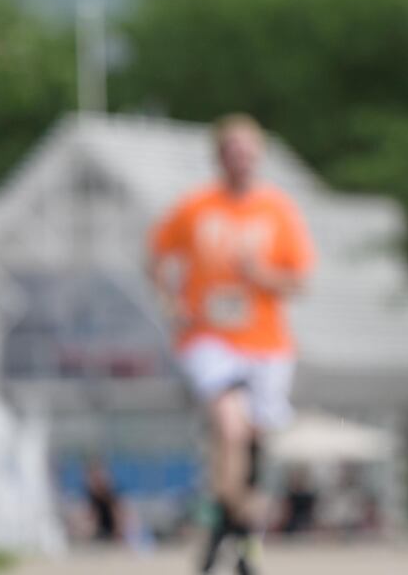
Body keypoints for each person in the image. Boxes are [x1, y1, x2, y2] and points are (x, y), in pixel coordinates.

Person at [149, 114, 316, 574]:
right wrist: (170, 300)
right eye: (231, 151)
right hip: (209, 338)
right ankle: (240, 545)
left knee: (253, 446)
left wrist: (260, 274)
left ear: (257, 156)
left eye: (248, 151)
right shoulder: (195, 208)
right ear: (219, 157)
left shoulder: (277, 210)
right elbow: (157, 255)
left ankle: (228, 540)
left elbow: (300, 280)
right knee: (231, 426)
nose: (240, 159)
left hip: (266, 342)